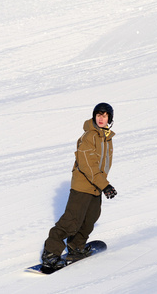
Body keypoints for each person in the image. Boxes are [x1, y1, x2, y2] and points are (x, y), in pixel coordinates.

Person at [41, 102, 117, 270]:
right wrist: (105, 185)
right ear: (94, 117)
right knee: (71, 221)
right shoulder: (89, 137)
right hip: (82, 186)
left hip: (96, 186)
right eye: (98, 115)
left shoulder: (106, 137)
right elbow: (88, 166)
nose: (101, 118)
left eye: (104, 115)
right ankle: (50, 254)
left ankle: (76, 248)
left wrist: (102, 185)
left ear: (110, 118)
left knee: (89, 220)